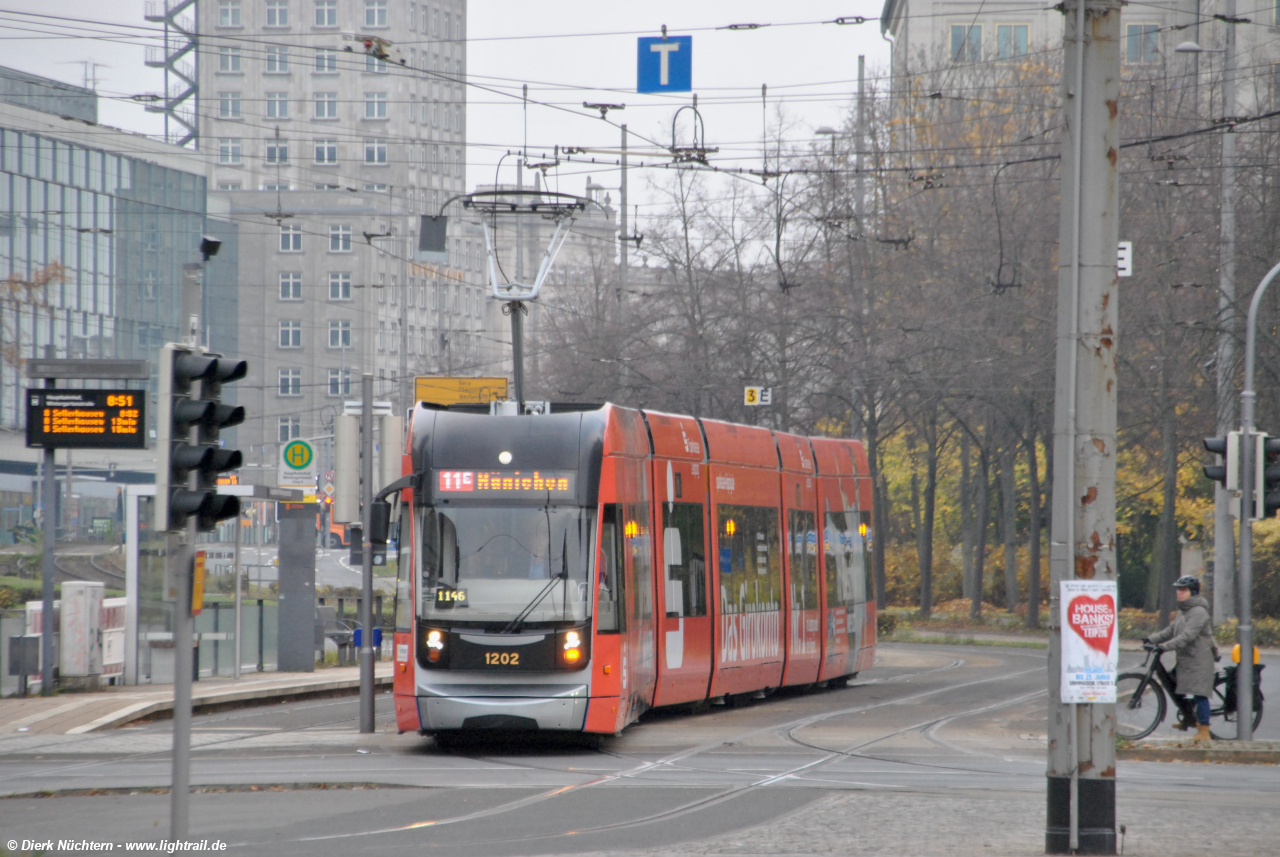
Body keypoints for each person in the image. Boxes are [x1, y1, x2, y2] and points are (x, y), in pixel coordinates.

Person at [1145, 576, 1218, 742]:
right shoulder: (1184, 611)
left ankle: (1204, 731)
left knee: (1200, 694)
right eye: (1178, 589)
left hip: (1199, 659)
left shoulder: (1199, 612)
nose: (1179, 593)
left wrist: (1165, 647)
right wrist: (1151, 639)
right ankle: (1189, 717)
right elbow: (1171, 630)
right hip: (1186, 658)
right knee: (1174, 683)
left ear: (1192, 592)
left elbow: (1187, 636)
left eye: (1183, 590)